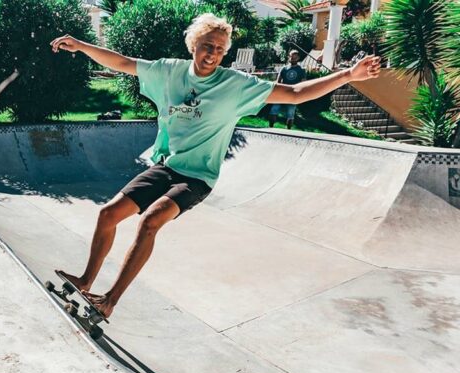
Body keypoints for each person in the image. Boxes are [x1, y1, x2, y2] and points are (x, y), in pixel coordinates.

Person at [50, 13, 381, 318]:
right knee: (108, 214)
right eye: (207, 46)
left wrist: (349, 75)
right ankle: (85, 281)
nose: (212, 54)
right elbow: (122, 62)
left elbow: (294, 93)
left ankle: (109, 301)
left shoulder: (235, 85)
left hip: (198, 177)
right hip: (168, 166)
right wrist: (80, 45)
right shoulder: (169, 70)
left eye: (220, 50)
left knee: (150, 221)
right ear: (194, 45)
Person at [269, 49, 307, 129]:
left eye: (294, 57)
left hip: (293, 94)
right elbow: (278, 81)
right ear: (289, 57)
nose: (292, 58)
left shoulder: (301, 70)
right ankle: (270, 128)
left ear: (298, 58)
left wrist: (300, 95)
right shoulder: (284, 69)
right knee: (274, 110)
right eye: (291, 57)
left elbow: (303, 84)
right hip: (282, 92)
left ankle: (288, 130)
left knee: (290, 113)